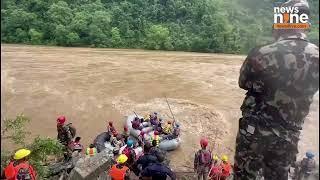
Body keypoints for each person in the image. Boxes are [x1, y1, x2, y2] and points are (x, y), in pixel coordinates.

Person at [233, 1, 319, 180]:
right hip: (290, 134)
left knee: (244, 175)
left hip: (256, 131)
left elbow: (243, 82)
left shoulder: (262, 53)